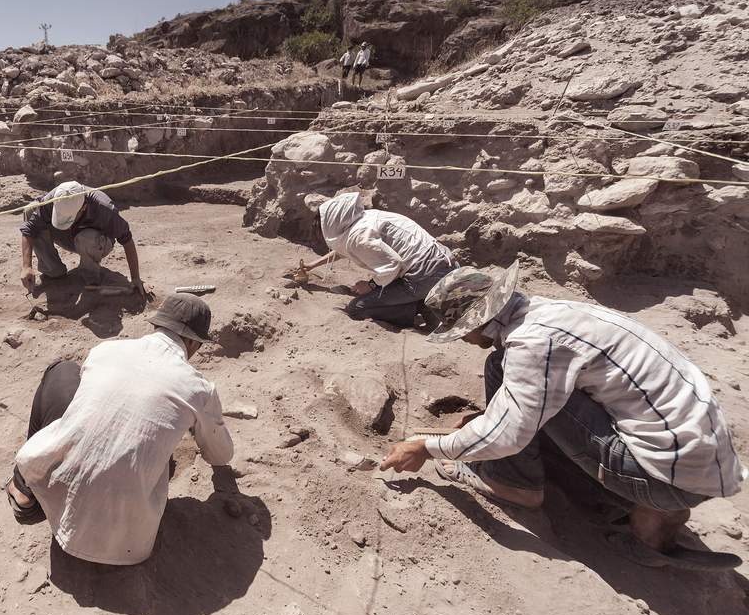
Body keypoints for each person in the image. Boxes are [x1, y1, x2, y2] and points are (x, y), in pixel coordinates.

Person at [380, 262, 747, 568]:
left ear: (476, 322)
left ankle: (515, 485)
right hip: (701, 462)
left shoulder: (533, 344)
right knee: (514, 374)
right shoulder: (551, 313)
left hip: (664, 476)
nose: (460, 340)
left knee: (509, 381)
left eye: (458, 331)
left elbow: (508, 435)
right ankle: (652, 511)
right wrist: (488, 415)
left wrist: (428, 448)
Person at [5, 293, 234, 565]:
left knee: (63, 372)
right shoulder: (200, 389)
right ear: (193, 343)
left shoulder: (106, 350)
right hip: (128, 545)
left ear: (157, 326)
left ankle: (26, 486)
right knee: (159, 459)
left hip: (54, 504)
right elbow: (221, 455)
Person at [300, 191, 458, 327]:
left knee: (358, 308)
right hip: (442, 262)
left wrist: (370, 285)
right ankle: (418, 299)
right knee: (379, 291)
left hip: (425, 275)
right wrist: (313, 265)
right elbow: (346, 248)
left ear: (331, 224)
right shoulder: (364, 218)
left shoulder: (359, 235)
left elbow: (392, 265)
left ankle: (417, 306)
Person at [19, 180, 149, 296]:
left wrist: (135, 277)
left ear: (83, 208)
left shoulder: (104, 208)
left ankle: (90, 276)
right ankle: (53, 270)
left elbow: (127, 239)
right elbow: (29, 228)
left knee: (87, 238)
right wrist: (26, 266)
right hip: (69, 235)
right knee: (30, 210)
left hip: (97, 242)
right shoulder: (56, 198)